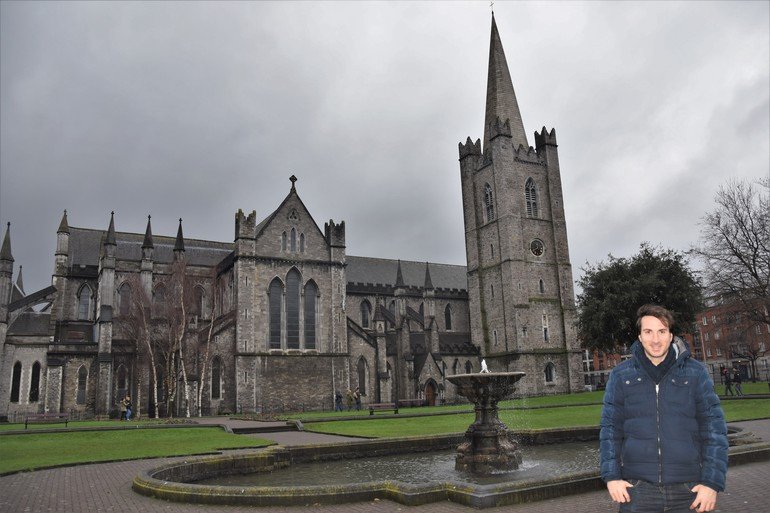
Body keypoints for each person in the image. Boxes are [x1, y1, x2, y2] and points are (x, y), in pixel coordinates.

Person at [600, 304, 728, 513]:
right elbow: (610, 430)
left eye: (662, 331)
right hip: (639, 490)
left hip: (690, 489)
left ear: (671, 335)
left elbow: (714, 431)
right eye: (648, 332)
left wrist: (712, 483)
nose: (656, 339)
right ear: (639, 337)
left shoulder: (696, 373)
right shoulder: (621, 376)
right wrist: (612, 476)